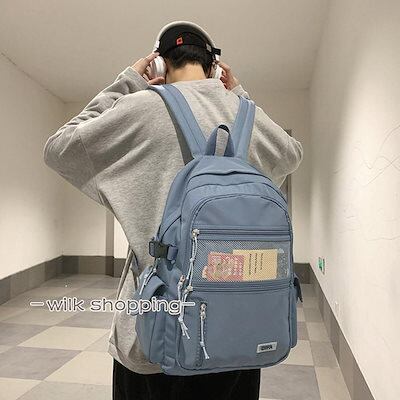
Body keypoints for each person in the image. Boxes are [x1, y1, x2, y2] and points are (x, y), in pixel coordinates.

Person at [43, 23, 303, 400]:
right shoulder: (248, 115)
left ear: (160, 65)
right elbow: (292, 154)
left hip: (155, 334)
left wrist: (129, 82)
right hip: (240, 334)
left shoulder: (139, 108)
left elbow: (59, 148)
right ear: (215, 68)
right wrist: (239, 95)